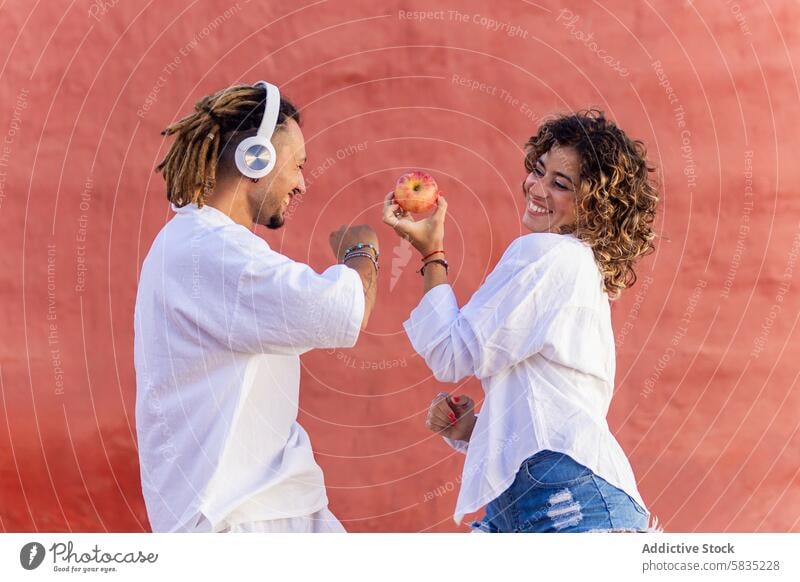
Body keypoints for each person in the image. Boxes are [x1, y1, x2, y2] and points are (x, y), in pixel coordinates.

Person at [383, 110, 659, 532]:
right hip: (558, 504)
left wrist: (431, 251)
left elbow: (450, 353)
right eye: (538, 170)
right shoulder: (579, 270)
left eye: (560, 184)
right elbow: (548, 410)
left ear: (596, 206)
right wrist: (473, 430)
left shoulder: (547, 255)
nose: (537, 187)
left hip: (567, 510)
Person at [134, 81, 379, 533]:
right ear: (256, 159)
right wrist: (362, 251)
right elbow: (342, 313)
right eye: (298, 165)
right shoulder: (212, 251)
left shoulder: (197, 245)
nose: (303, 182)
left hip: (265, 507)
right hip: (237, 519)